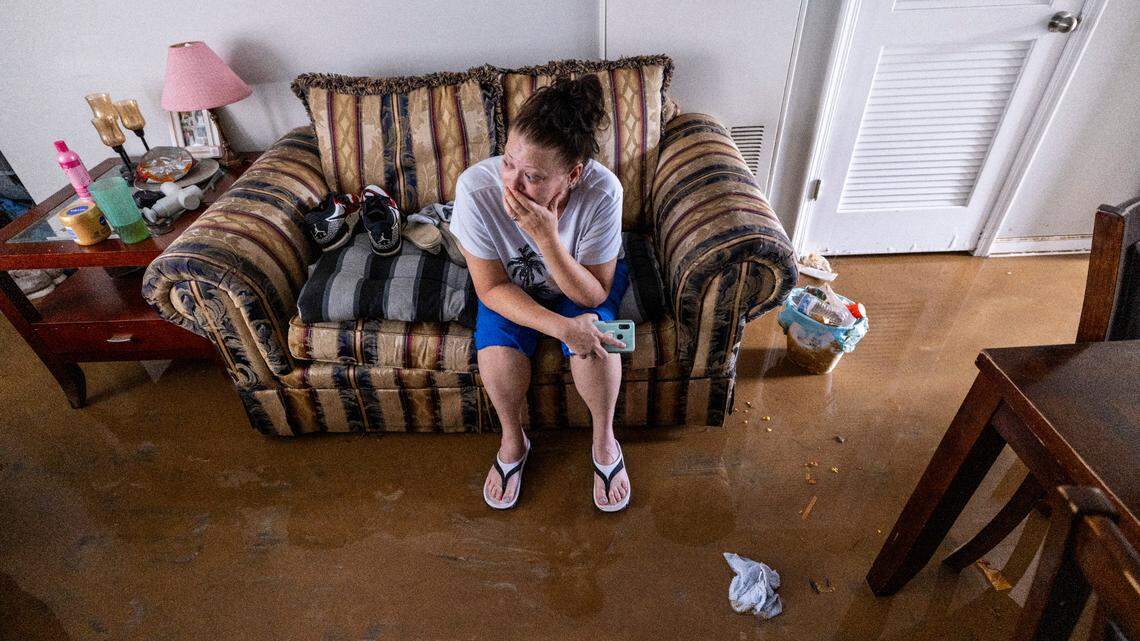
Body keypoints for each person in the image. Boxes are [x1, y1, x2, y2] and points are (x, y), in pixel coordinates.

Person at [449, 75, 632, 512]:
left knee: (599, 344)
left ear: (572, 174)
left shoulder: (603, 192)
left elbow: (593, 294)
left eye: (532, 176)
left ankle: (604, 440)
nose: (511, 184)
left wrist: (547, 239)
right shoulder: (476, 190)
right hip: (511, 286)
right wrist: (564, 329)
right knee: (497, 353)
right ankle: (513, 440)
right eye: (508, 163)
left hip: (580, 279)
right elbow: (491, 287)